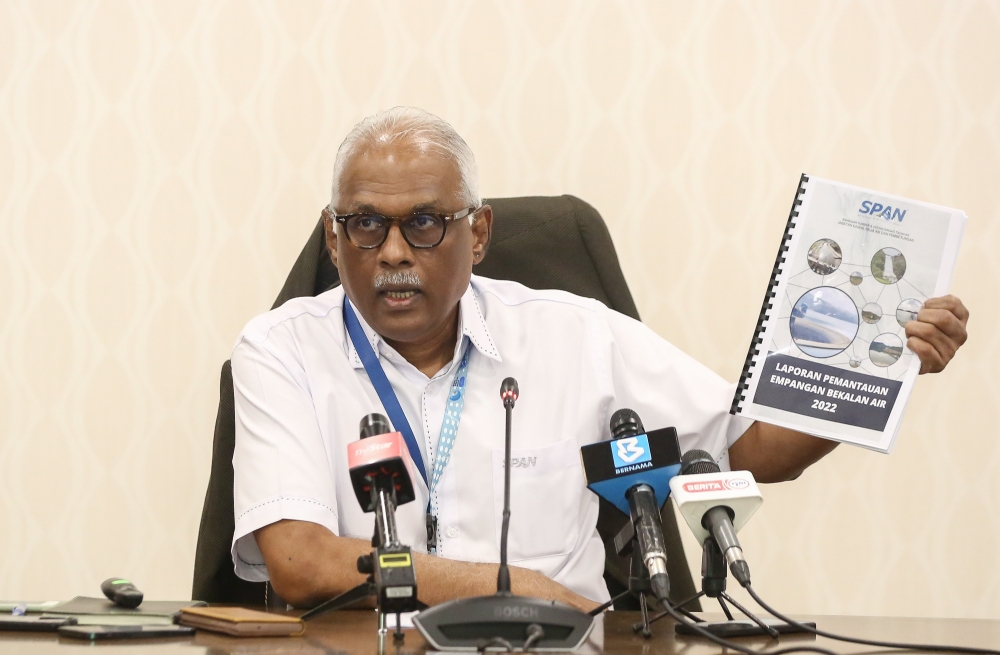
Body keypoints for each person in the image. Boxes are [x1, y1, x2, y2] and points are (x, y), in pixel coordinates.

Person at [230, 107, 969, 612]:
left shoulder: (574, 335)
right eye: (365, 224)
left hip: (555, 654)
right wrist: (511, 587)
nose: (393, 252)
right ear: (334, 239)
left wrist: (877, 366)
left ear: (478, 234)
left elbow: (752, 447)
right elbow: (299, 561)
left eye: (424, 223)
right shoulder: (281, 350)